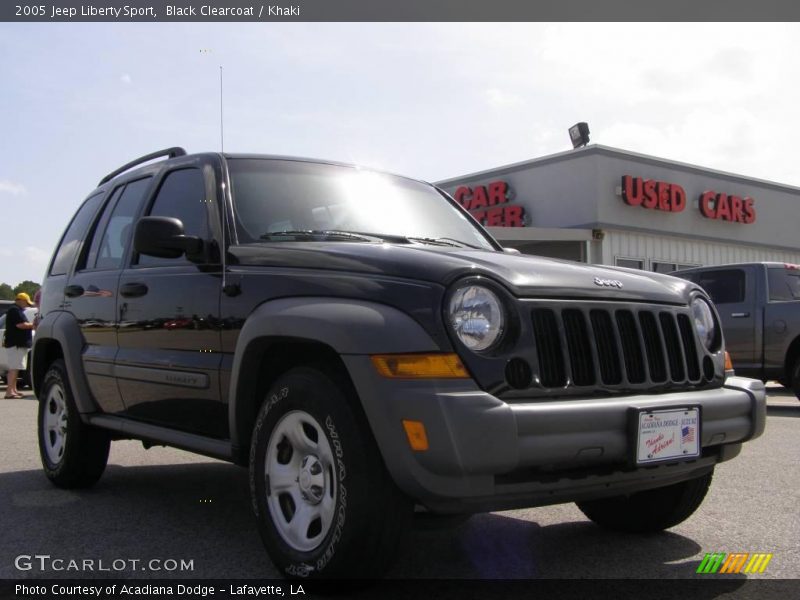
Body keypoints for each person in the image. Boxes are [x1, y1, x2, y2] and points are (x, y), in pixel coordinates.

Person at [4, 292, 35, 399]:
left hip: (17, 344)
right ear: (21, 301)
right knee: (14, 368)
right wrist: (33, 325)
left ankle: (14, 389)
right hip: (16, 344)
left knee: (16, 368)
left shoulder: (16, 310)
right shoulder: (15, 310)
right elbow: (20, 325)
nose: (27, 305)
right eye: (26, 303)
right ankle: (9, 392)